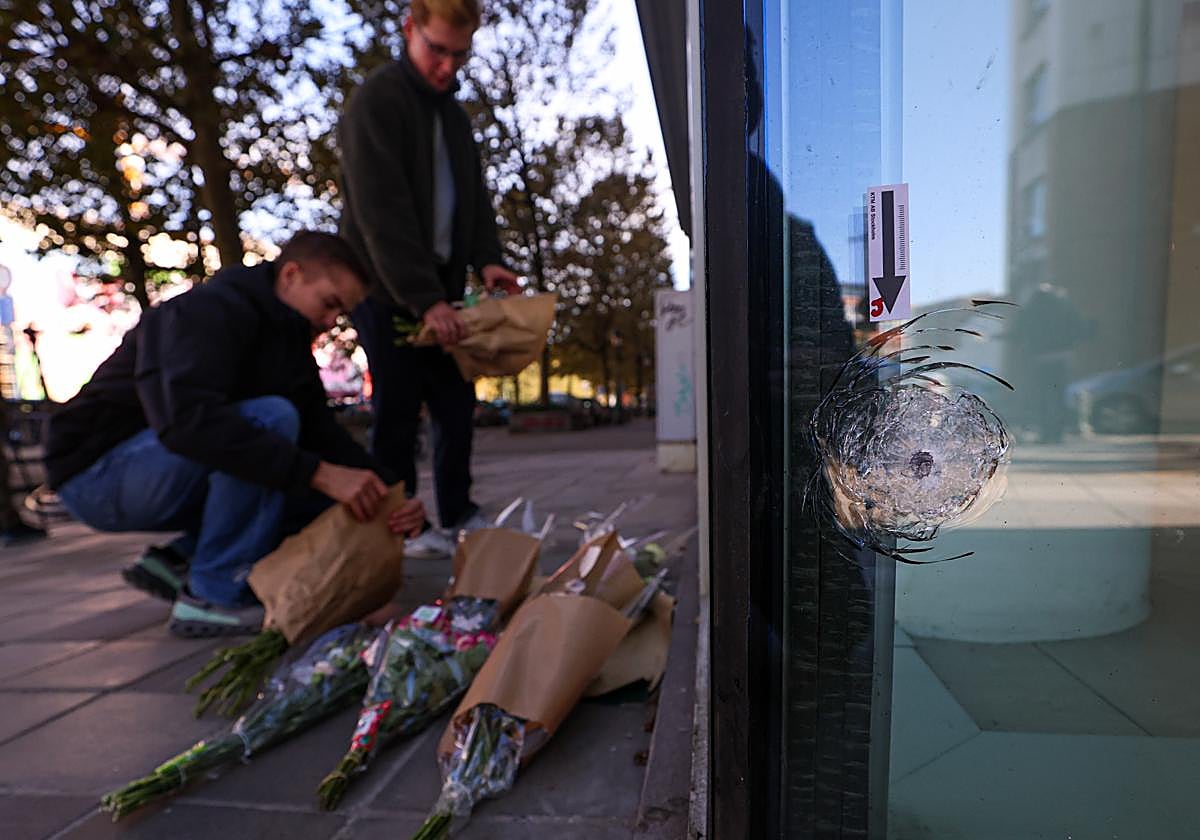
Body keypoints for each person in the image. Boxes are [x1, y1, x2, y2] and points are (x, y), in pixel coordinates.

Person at [43, 231, 425, 637]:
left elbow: (321, 433)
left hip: (153, 466)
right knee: (275, 425)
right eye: (330, 304)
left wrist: (388, 492)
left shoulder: (288, 339)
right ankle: (213, 595)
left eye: (341, 314)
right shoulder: (203, 312)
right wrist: (321, 474)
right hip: (95, 474)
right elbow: (188, 423)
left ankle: (183, 557)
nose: (332, 322)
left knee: (300, 464)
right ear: (292, 274)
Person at [337, 0, 520, 557]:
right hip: (382, 288)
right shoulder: (377, 102)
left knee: (454, 402)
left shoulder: (455, 117)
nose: (447, 67)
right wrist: (423, 300)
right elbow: (380, 216)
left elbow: (473, 201)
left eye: (459, 55)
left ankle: (458, 511)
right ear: (409, 30)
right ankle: (402, 525)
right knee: (396, 405)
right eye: (437, 50)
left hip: (437, 288)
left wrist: (488, 258)